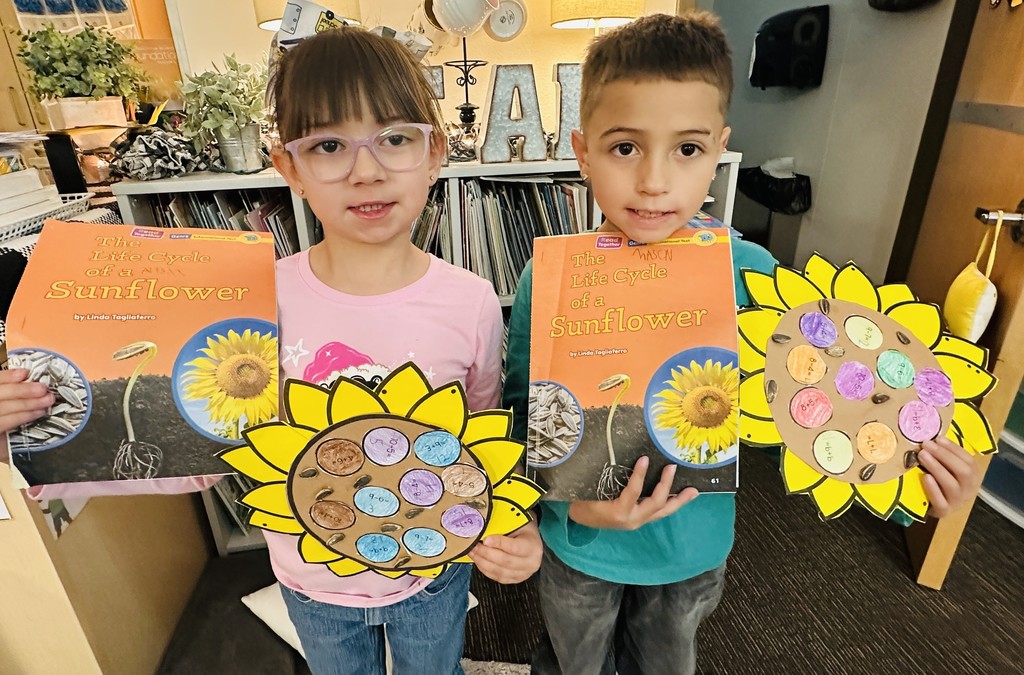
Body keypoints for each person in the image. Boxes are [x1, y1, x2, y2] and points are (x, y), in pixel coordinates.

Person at [501, 12, 980, 675]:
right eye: (624, 147)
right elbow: (521, 405)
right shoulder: (546, 277)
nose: (654, 181)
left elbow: (837, 388)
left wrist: (919, 460)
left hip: (692, 548)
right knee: (570, 660)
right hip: (580, 540)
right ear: (583, 152)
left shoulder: (751, 273)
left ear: (722, 146)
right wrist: (562, 503)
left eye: (687, 149)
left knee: (668, 660)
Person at [262, 27, 540, 675]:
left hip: (431, 572)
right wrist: (38, 435)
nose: (367, 168)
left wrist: (513, 526)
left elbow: (478, 446)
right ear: (290, 168)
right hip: (312, 577)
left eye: (394, 138)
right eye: (329, 144)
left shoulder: (470, 301)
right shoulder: (257, 300)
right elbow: (189, 444)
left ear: (434, 151)